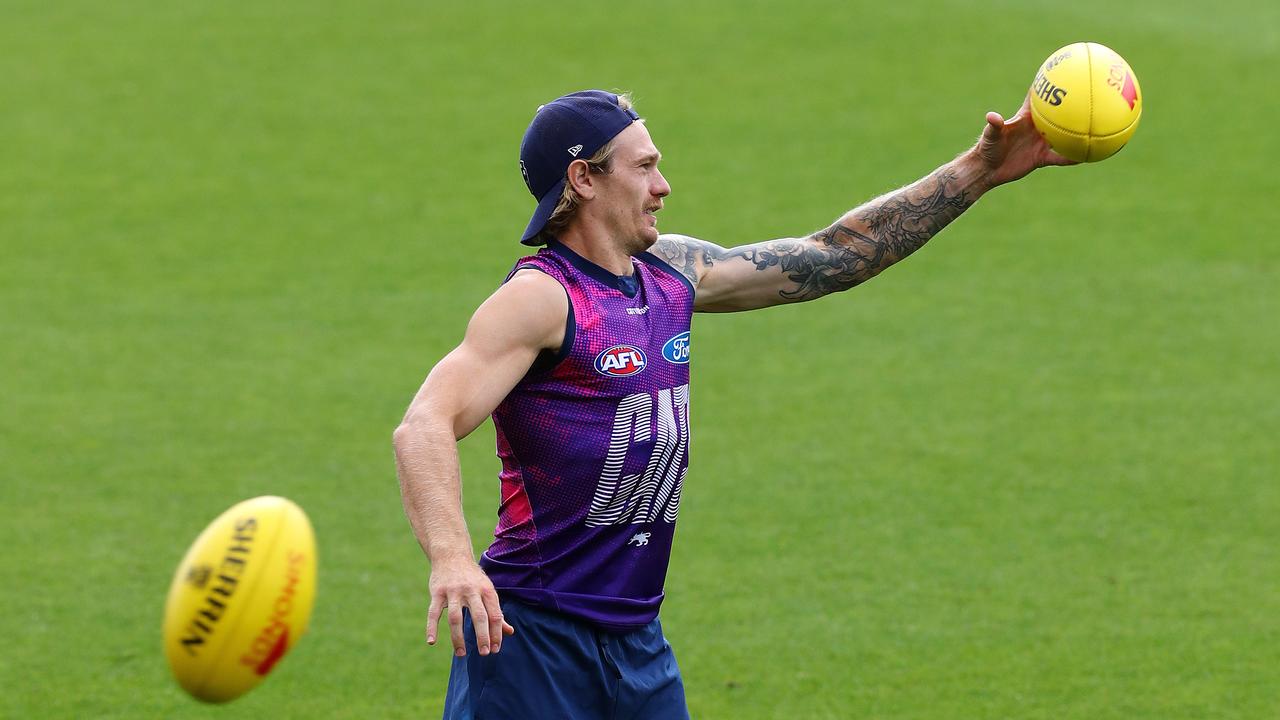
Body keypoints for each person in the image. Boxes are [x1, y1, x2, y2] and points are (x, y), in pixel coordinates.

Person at [393, 89, 1072, 719]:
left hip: (637, 643)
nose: (663, 187)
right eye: (645, 167)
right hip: (531, 642)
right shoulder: (544, 300)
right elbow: (424, 423)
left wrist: (978, 172)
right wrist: (451, 557)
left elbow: (832, 256)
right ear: (584, 180)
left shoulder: (671, 273)